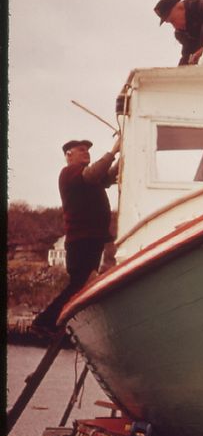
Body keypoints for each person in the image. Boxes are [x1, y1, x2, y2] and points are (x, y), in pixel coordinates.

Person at [30, 138, 121, 338]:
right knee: (79, 283)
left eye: (87, 150)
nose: (86, 152)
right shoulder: (70, 173)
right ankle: (45, 322)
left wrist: (124, 155)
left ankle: (51, 323)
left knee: (83, 283)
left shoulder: (87, 177)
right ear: (69, 155)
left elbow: (107, 175)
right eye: (81, 150)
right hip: (81, 240)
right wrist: (113, 150)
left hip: (91, 239)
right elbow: (94, 174)